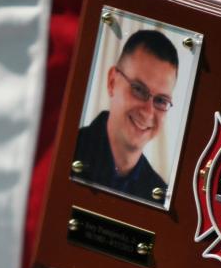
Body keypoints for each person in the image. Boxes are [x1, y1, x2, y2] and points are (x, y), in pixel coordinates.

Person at [74, 29, 178, 202]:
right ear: (112, 82)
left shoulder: (160, 198)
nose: (148, 111)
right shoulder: (69, 151)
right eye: (138, 89)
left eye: (160, 100)